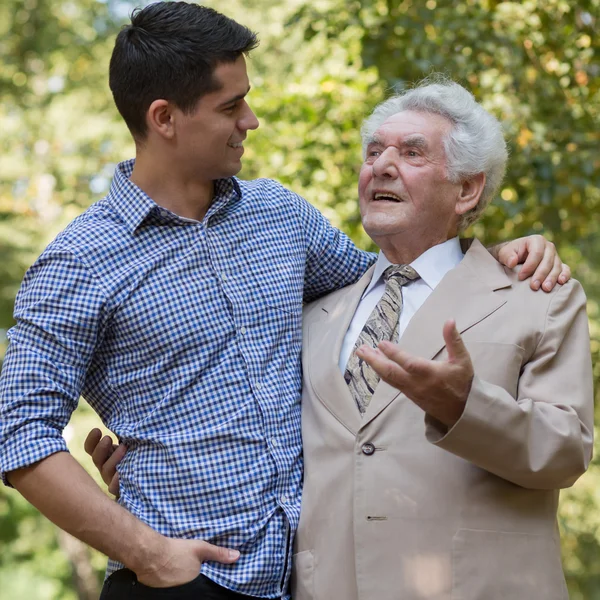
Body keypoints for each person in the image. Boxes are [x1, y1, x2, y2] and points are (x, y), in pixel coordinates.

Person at [0, 1, 568, 598]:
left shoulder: (281, 216)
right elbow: (18, 435)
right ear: (164, 117)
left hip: (306, 578)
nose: (251, 120)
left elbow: (393, 286)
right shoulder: (79, 262)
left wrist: (501, 253)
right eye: (230, 106)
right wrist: (147, 552)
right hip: (183, 580)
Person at [291, 77, 593, 600]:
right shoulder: (314, 310)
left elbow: (566, 452)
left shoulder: (540, 296)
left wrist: (466, 407)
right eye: (374, 151)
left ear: (468, 189)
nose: (381, 165)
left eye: (412, 152)